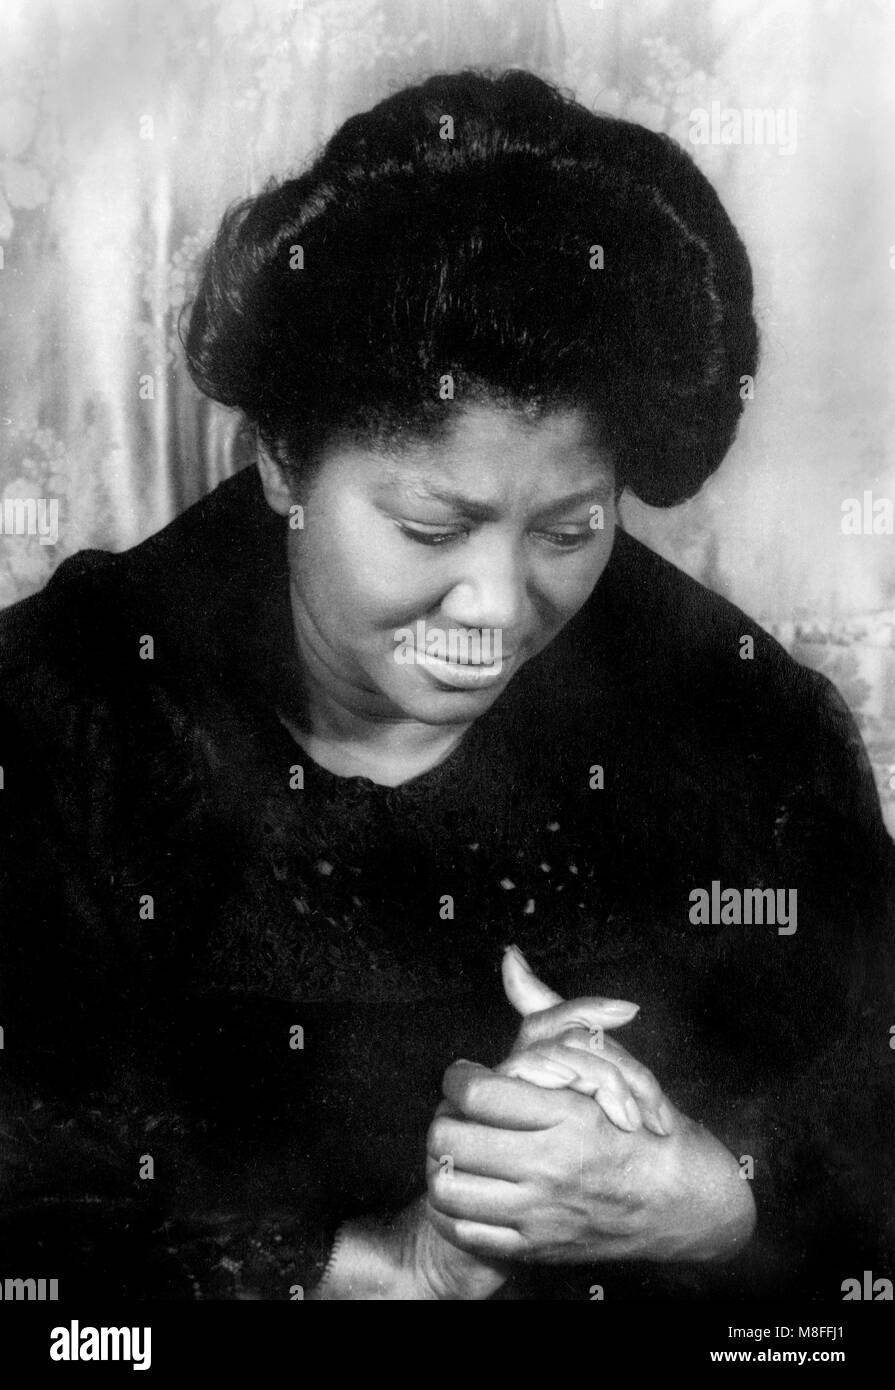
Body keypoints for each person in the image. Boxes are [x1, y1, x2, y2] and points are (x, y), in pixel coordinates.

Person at [0, 69, 892, 1302]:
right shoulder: (64, 717)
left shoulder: (743, 727)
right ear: (280, 461)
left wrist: (711, 1193)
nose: (498, 606)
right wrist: (392, 1263)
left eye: (569, 529)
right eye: (430, 527)